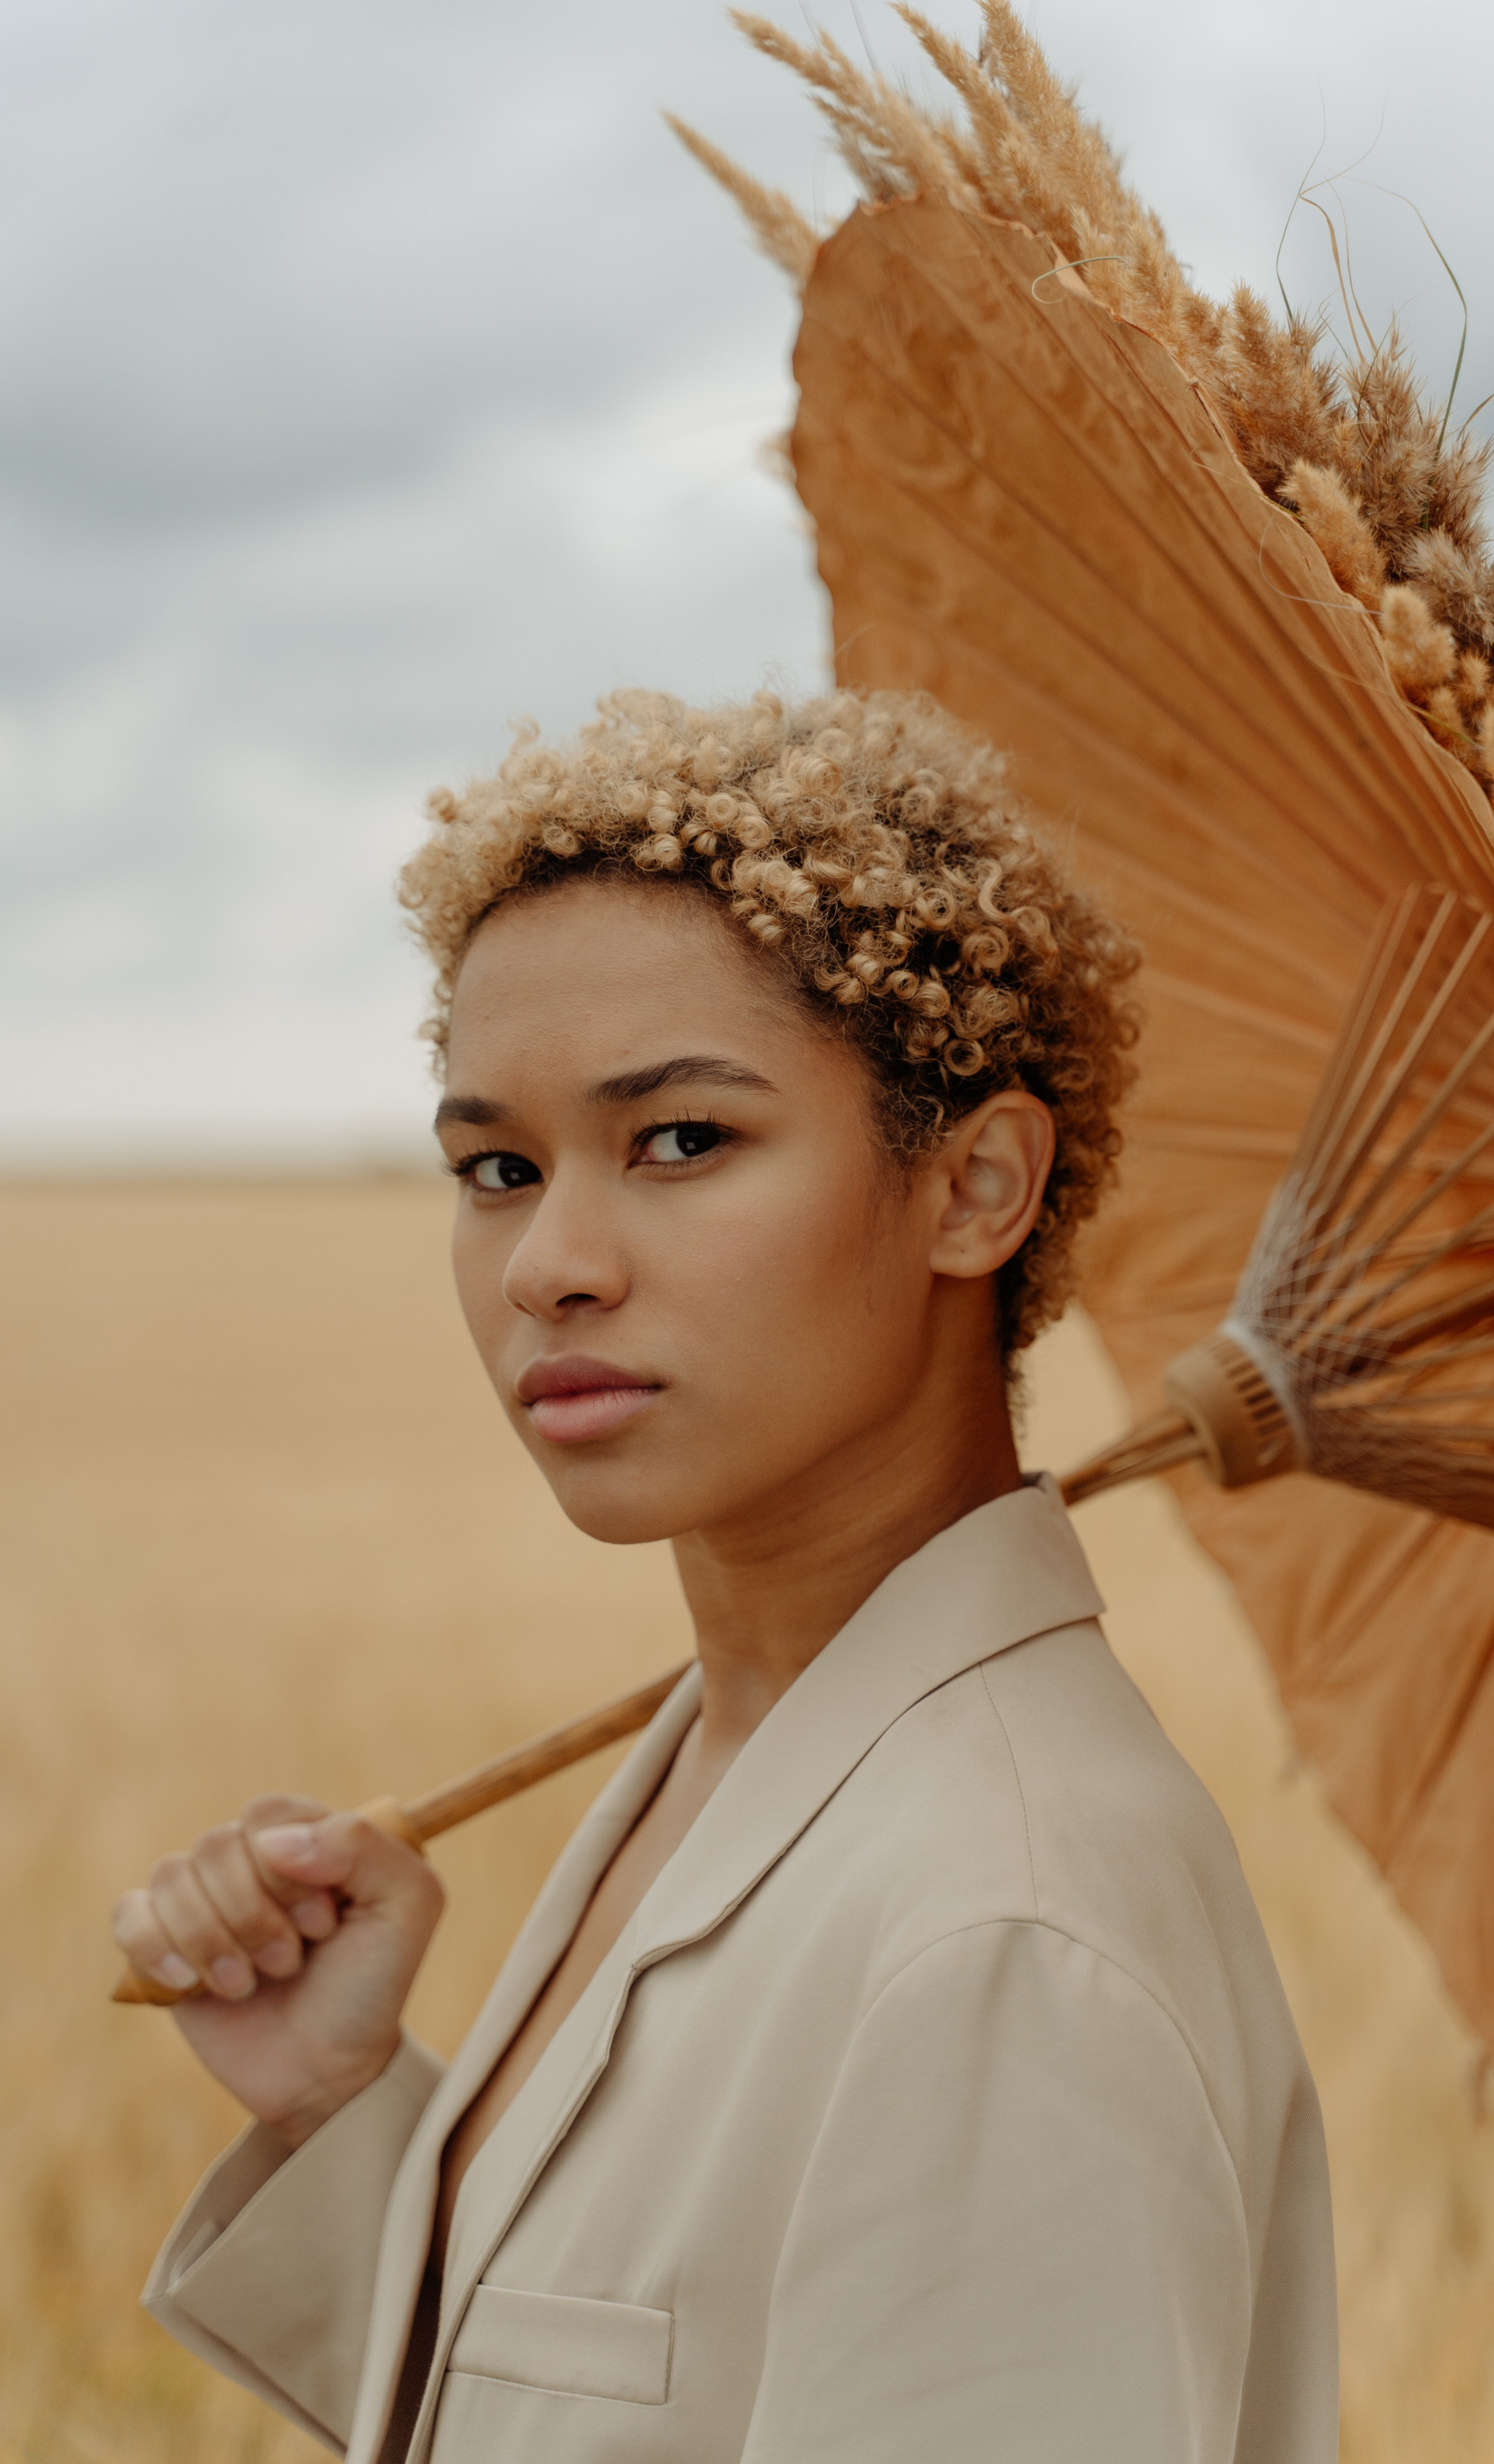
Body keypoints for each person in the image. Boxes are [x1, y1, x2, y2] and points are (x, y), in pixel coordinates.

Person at [112, 685, 1338, 2463]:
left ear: (976, 1186)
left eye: (681, 1140)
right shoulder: (744, 1749)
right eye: (496, 1166)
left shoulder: (1002, 1929)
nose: (550, 1262)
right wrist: (350, 2110)